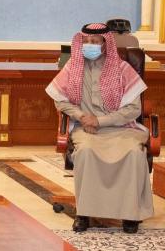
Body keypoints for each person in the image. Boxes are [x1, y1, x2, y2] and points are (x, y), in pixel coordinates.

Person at [45, 24, 154, 233]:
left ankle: (130, 215)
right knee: (86, 151)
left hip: (122, 128)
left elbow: (134, 109)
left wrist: (100, 121)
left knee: (133, 153)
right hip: (85, 129)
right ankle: (84, 214)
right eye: (86, 41)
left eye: (95, 42)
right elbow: (60, 101)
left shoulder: (123, 69)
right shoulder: (73, 68)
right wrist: (82, 117)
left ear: (105, 44)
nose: (89, 45)